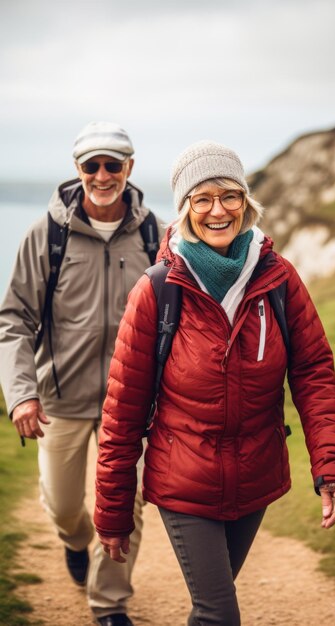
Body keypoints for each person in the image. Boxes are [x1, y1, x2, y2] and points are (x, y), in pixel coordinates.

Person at [94, 140, 335, 626]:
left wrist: (334, 466)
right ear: (186, 209)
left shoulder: (278, 279)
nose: (218, 210)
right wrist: (112, 511)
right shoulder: (156, 290)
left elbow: (314, 373)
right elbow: (122, 410)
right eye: (203, 198)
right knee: (219, 614)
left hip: (255, 478)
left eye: (230, 196)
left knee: (210, 609)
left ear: (246, 203)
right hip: (183, 481)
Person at [0, 121, 165, 626]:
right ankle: (74, 541)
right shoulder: (45, 234)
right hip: (60, 401)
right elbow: (14, 320)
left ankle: (109, 604)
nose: (102, 174)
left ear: (129, 169)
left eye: (112, 164)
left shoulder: (155, 233)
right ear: (78, 170)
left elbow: (172, 317)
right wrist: (22, 395)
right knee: (64, 507)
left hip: (131, 405)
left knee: (127, 507)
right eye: (91, 165)